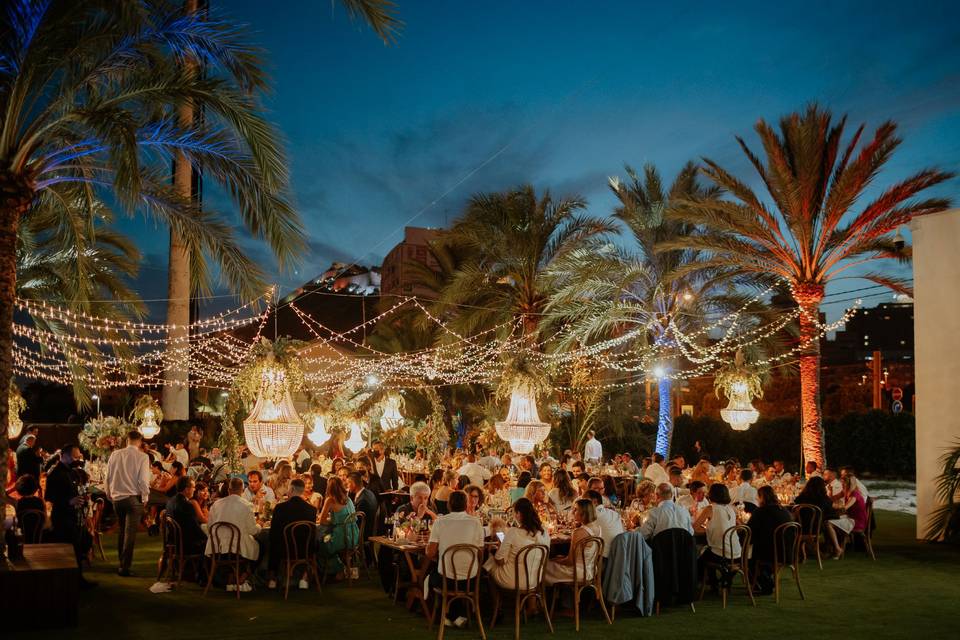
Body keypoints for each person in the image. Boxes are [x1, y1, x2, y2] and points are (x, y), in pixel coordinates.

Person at [425, 490, 484, 628]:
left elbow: (430, 553)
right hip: (471, 579)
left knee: (430, 577)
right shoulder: (476, 523)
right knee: (453, 572)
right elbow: (481, 555)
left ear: (449, 505)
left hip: (447, 579)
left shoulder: (440, 522)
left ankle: (442, 614)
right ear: (465, 505)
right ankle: (456, 616)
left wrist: (431, 547)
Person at [44, 444, 95, 588]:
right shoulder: (55, 473)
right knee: (69, 551)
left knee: (80, 546)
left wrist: (82, 498)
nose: (77, 459)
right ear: (63, 455)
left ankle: (77, 579)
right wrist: (69, 501)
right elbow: (49, 496)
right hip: (62, 517)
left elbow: (73, 491)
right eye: (74, 456)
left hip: (73, 516)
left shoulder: (71, 472)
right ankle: (70, 582)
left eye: (78, 456)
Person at [105, 430, 151, 576]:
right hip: (132, 499)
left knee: (122, 531)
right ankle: (124, 567)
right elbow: (143, 481)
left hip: (117, 499)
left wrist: (109, 494)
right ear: (140, 442)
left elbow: (108, 477)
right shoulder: (142, 456)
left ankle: (121, 562)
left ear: (127, 440)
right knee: (129, 534)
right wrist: (145, 498)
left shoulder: (115, 454)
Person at [206, 477, 260, 591]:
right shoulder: (247, 505)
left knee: (243, 548)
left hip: (218, 547)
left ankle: (234, 579)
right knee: (260, 546)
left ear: (229, 490)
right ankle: (242, 578)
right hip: (238, 548)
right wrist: (259, 525)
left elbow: (210, 526)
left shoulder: (216, 504)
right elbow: (252, 530)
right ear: (242, 490)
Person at [485, 497, 551, 589]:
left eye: (513, 513)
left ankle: (497, 601)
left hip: (513, 580)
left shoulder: (513, 532)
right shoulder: (545, 532)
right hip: (535, 580)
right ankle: (531, 601)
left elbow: (499, 560)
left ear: (518, 514)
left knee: (490, 563)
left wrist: (496, 549)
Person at [267, 478, 318, 589]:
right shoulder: (312, 509)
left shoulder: (280, 508)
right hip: (305, 550)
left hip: (285, 550)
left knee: (272, 541)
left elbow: (273, 533)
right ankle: (304, 577)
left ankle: (272, 578)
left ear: (292, 488)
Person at [747, 485, 794, 595]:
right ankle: (763, 580)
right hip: (787, 551)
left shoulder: (761, 511)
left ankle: (763, 583)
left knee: (748, 554)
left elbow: (749, 530)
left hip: (771, 553)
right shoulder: (783, 509)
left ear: (762, 497)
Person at [544, 498, 602, 585]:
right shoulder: (598, 528)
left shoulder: (579, 532)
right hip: (592, 570)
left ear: (584, 513)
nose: (572, 511)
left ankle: (547, 596)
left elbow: (570, 561)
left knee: (543, 566)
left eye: (576, 509)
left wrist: (555, 559)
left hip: (577, 573)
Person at [695, 483, 740, 587]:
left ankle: (707, 584)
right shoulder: (731, 508)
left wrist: (709, 530)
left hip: (722, 555)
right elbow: (739, 526)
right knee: (709, 552)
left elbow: (694, 528)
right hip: (737, 553)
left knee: (701, 559)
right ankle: (715, 583)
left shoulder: (710, 508)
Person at [318, 476, 359, 579]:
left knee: (322, 542)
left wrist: (332, 521)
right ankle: (342, 568)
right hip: (354, 535)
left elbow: (322, 520)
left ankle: (339, 568)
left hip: (341, 537)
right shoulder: (348, 498)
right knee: (325, 539)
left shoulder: (330, 500)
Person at [795, 476, 843, 558]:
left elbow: (795, 505)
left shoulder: (800, 498)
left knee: (825, 522)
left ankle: (823, 549)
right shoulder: (823, 498)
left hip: (799, 527)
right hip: (815, 528)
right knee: (827, 523)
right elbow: (832, 513)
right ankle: (830, 548)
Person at [165, 476, 207, 557]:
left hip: (172, 541)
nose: (194, 490)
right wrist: (207, 538)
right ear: (187, 489)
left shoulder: (171, 501)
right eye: (193, 487)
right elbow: (195, 528)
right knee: (212, 544)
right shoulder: (187, 505)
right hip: (185, 545)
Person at [585, 489, 624, 560]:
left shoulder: (592, 516)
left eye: (584, 502)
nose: (582, 505)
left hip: (602, 559)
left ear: (594, 502)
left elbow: (583, 535)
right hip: (619, 556)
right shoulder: (614, 513)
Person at [347, 471, 378, 540]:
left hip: (363, 534)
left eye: (348, 483)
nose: (347, 486)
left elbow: (356, 522)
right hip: (369, 530)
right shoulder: (368, 493)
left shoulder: (363, 500)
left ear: (353, 483)